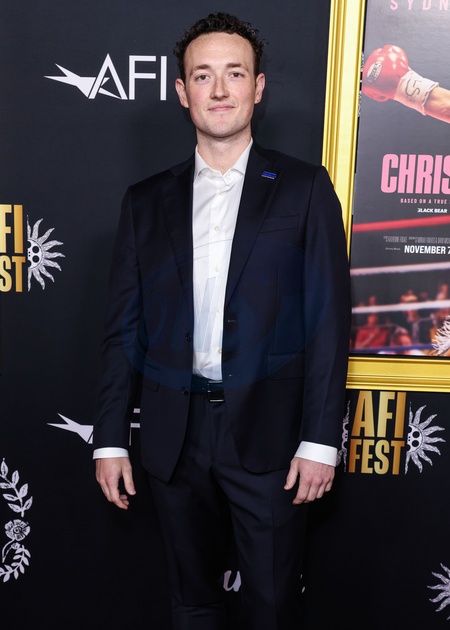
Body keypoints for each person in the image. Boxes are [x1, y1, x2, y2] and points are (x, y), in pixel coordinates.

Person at [93, 12, 351, 630]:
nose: (218, 89)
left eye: (234, 74)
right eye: (202, 75)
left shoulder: (305, 188)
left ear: (257, 87)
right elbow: (123, 328)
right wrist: (110, 438)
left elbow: (328, 321)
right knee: (191, 603)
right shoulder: (145, 200)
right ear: (182, 92)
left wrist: (321, 440)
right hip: (172, 435)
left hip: (270, 437)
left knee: (272, 605)